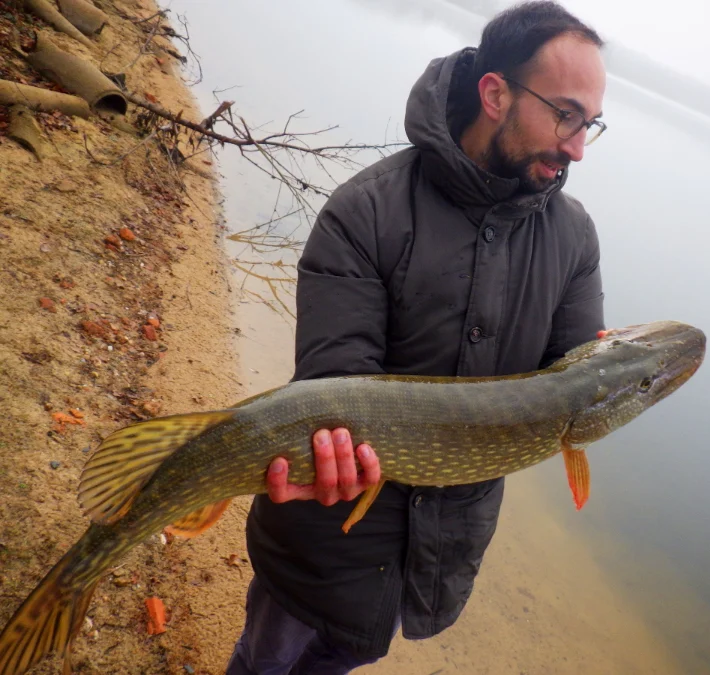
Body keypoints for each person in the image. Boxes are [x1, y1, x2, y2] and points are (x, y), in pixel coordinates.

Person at [226, 2, 609, 673]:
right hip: (322, 543)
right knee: (268, 660)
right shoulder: (366, 212)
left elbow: (569, 380)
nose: (578, 146)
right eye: (566, 114)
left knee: (340, 658)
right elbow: (334, 383)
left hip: (435, 555)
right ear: (495, 94)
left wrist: (602, 372)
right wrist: (330, 448)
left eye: (591, 125)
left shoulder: (574, 237)